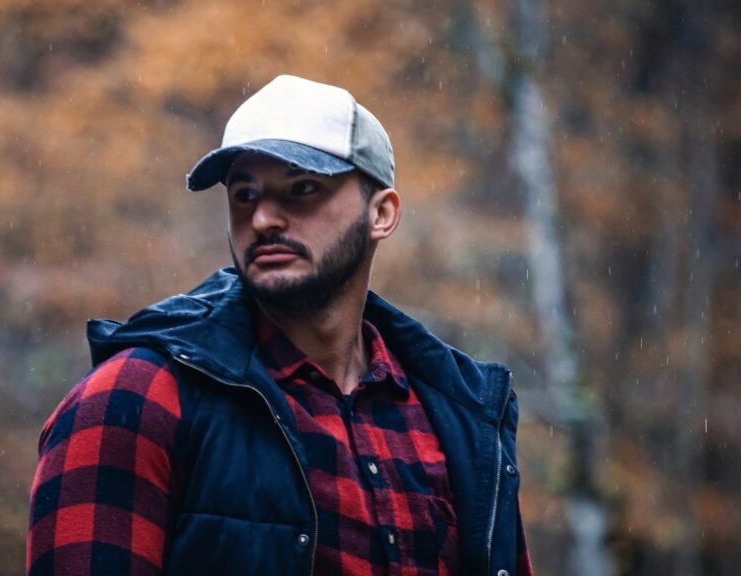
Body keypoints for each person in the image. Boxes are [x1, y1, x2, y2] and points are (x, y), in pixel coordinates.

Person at [27, 75, 531, 576]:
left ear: (381, 213)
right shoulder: (135, 398)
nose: (264, 217)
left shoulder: (462, 417)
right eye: (245, 195)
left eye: (302, 189)